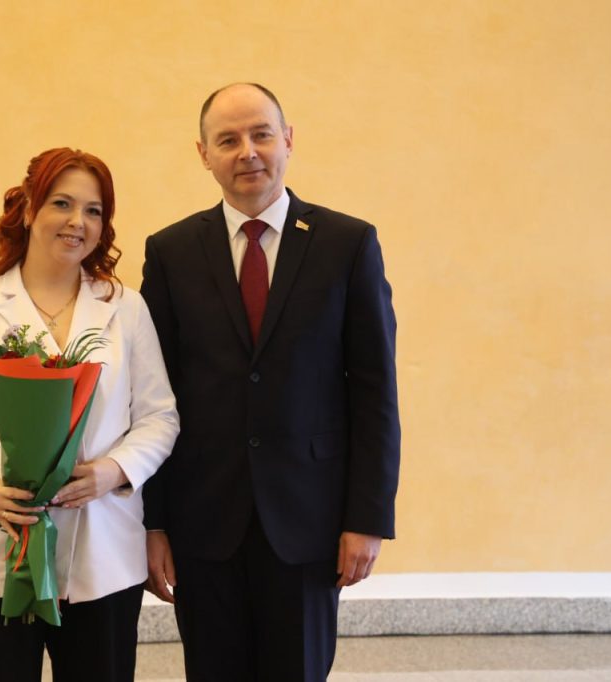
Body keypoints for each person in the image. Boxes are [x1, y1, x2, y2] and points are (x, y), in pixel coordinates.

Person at [140, 83, 401, 681]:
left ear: (287, 139)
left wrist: (367, 517)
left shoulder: (347, 244)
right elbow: (153, 397)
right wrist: (152, 523)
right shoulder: (172, 252)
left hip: (311, 521)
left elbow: (374, 393)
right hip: (203, 523)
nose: (247, 152)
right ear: (204, 154)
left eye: (261, 134)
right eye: (227, 140)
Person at [0, 147, 179, 682]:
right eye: (62, 203)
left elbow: (159, 417)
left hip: (102, 555)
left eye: (94, 210)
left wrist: (113, 471)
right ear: (29, 209)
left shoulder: (125, 308)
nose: (78, 222)